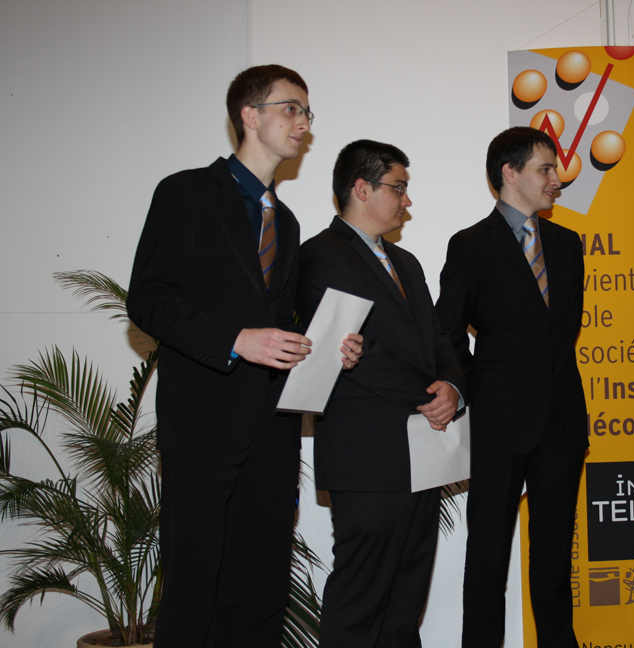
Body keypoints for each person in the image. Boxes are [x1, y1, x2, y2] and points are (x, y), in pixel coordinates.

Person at [127, 65, 362, 648]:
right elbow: (148, 300)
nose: (304, 123)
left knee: (261, 588)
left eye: (308, 113)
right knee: (193, 585)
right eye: (291, 108)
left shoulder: (287, 221)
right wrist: (236, 339)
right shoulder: (185, 192)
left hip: (272, 430)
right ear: (249, 115)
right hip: (202, 423)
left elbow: (280, 325)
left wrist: (325, 348)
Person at [295, 139, 465, 648]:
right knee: (360, 601)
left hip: (424, 454)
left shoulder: (406, 262)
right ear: (362, 188)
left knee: (405, 603)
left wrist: (452, 387)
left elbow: (439, 339)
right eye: (399, 187)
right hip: (367, 458)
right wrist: (427, 394)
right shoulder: (319, 256)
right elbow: (350, 352)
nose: (407, 201)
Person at [435, 127, 588, 648]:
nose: (556, 179)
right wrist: (470, 388)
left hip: (562, 421)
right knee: (487, 560)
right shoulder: (471, 245)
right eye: (545, 169)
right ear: (510, 172)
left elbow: (562, 331)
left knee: (554, 563)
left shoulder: (566, 244)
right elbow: (446, 331)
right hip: (500, 423)